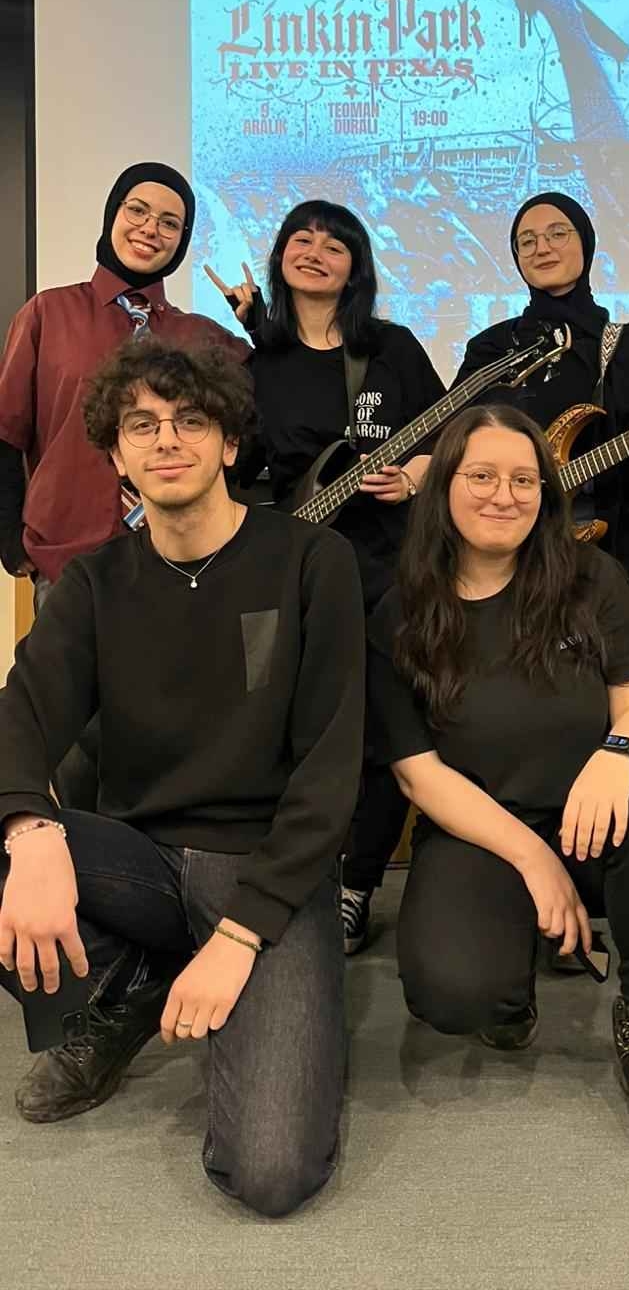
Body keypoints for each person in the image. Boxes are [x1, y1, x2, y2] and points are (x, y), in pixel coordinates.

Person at [0, 340, 364, 1216]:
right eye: (142, 425)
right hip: (143, 865)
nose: (167, 440)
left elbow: (329, 773)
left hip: (269, 868)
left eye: (191, 421)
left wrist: (239, 936)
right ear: (117, 456)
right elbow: (22, 714)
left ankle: (184, 969)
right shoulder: (94, 583)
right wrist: (31, 831)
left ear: (230, 443)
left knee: (271, 1174)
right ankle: (128, 986)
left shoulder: (311, 561)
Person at [367, 404, 629, 1144]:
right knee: (454, 995)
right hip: (477, 831)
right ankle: (511, 981)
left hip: (594, 815)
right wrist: (533, 859)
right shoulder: (400, 610)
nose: (504, 495)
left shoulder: (591, 577)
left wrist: (616, 754)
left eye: (524, 480)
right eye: (482, 476)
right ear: (444, 486)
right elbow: (419, 776)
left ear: (545, 492)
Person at [207, 200, 445, 957]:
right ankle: (292, 879)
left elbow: (449, 435)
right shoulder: (259, 365)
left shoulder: (391, 349)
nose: (314, 251)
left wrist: (412, 476)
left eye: (334, 244)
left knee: (383, 727)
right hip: (294, 570)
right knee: (294, 728)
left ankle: (357, 885)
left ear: (356, 267)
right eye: (300, 239)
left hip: (388, 568)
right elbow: (238, 469)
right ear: (280, 257)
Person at [0, 162, 247, 595]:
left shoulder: (202, 336)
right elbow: (5, 432)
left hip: (183, 564)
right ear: (113, 214)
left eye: (169, 223)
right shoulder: (46, 313)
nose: (151, 229)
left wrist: (265, 327)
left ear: (183, 240)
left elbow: (276, 406)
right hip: (66, 560)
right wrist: (8, 540)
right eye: (137, 210)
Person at [454, 192, 629, 595]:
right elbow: (456, 440)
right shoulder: (490, 348)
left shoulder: (625, 345)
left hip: (595, 558)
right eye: (527, 241)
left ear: (586, 243)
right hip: (498, 552)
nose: (542, 248)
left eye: (557, 234)